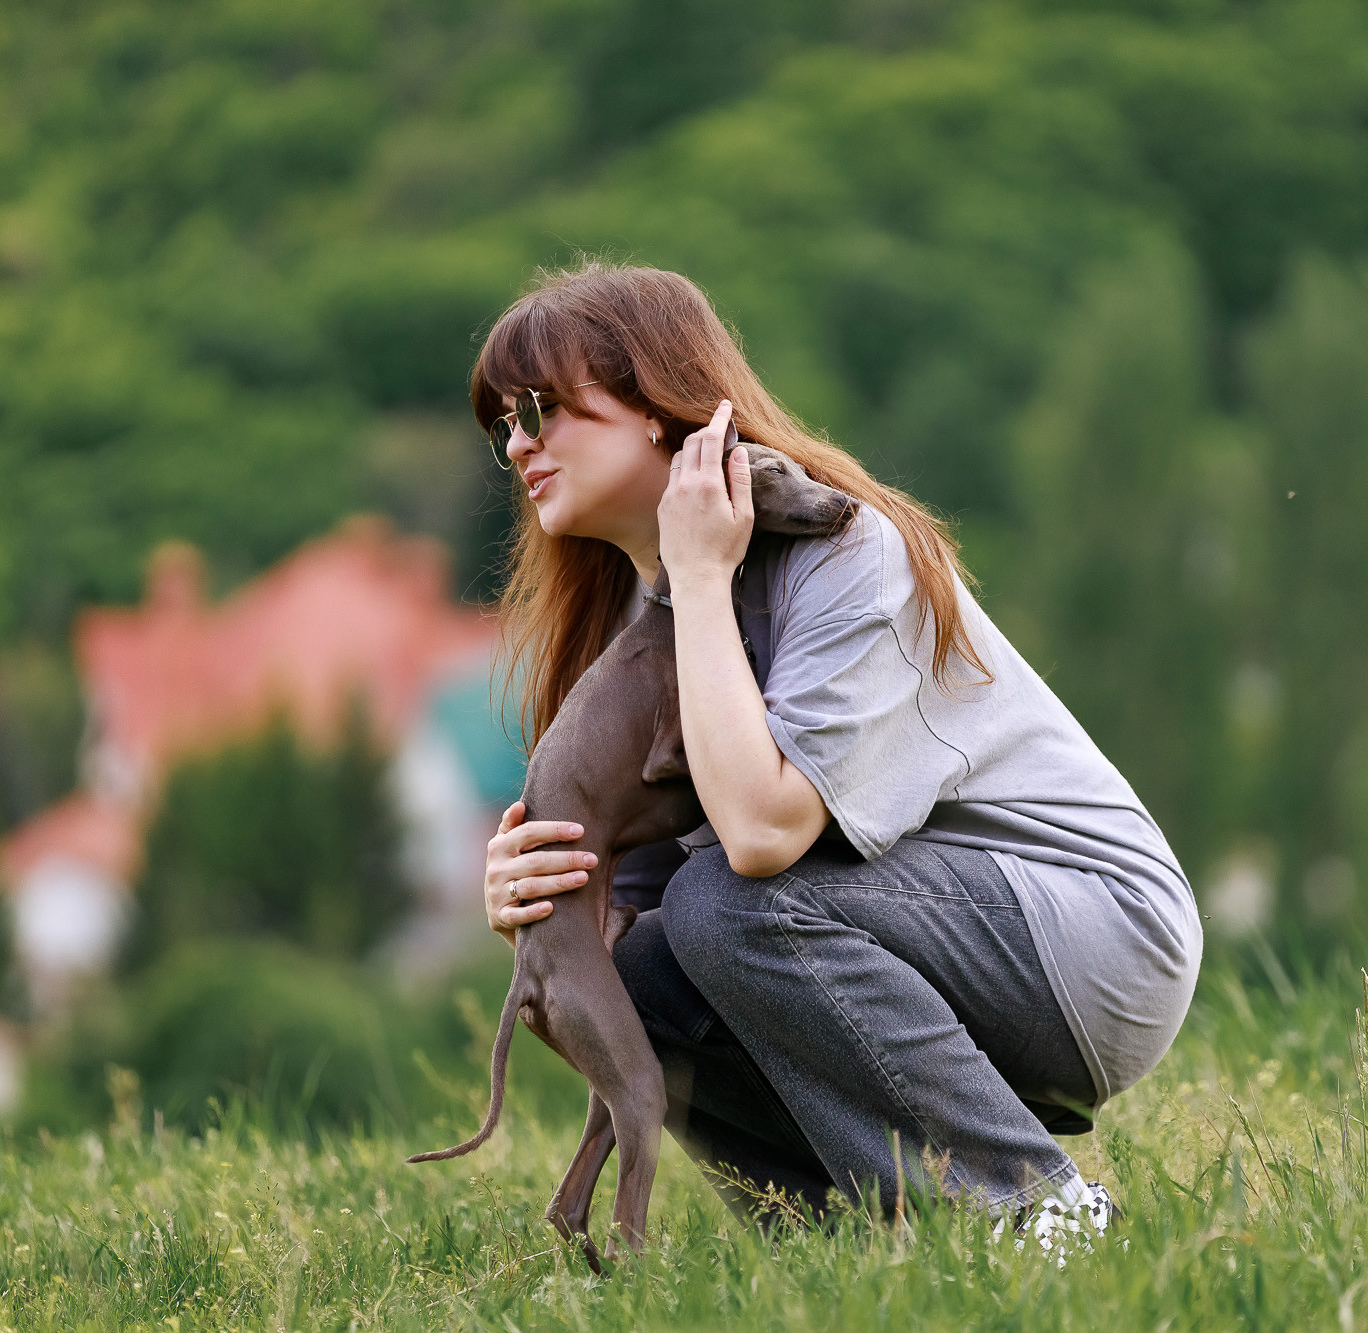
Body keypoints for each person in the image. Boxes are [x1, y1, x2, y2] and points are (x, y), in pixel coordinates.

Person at [472, 260, 1201, 1245]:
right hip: (905, 939)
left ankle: (1038, 1211)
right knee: (639, 976)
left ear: (651, 406)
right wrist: (540, 900)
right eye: (500, 426)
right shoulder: (627, 635)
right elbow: (625, 941)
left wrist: (695, 575)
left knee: (726, 903)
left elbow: (763, 830)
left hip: (1092, 938)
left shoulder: (845, 552)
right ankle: (864, 1241)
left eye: (538, 407)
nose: (518, 444)